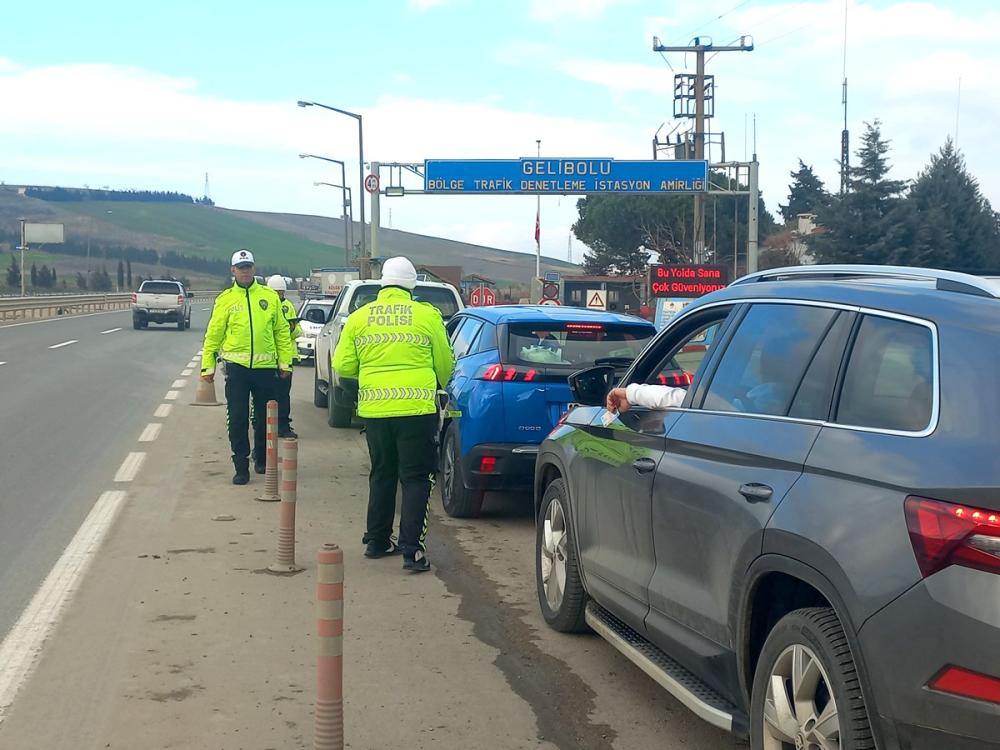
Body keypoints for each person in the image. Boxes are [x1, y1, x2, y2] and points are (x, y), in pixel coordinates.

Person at [332, 256, 454, 573]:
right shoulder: (427, 315)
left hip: (375, 411)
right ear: (411, 285)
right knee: (416, 478)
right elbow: (445, 362)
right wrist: (439, 385)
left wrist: (370, 378)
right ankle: (412, 551)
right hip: (416, 411)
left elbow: (342, 365)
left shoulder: (359, 317)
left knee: (382, 473)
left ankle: (377, 541)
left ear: (383, 283)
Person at [201, 250, 294, 485]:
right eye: (240, 268)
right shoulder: (226, 299)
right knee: (238, 418)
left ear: (254, 269)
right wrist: (207, 367)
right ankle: (240, 465)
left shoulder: (268, 297)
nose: (244, 271)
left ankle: (261, 458)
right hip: (237, 369)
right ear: (233, 270)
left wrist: (285, 363)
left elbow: (282, 333)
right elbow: (214, 335)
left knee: (264, 418)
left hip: (265, 369)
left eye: (248, 267)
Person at [267, 274, 303, 439]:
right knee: (266, 394)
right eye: (275, 293)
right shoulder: (264, 305)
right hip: (267, 357)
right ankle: (264, 424)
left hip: (286, 357)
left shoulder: (288, 306)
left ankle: (283, 425)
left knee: (283, 394)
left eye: (281, 293)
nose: (278, 296)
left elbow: (297, 331)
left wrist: (291, 328)